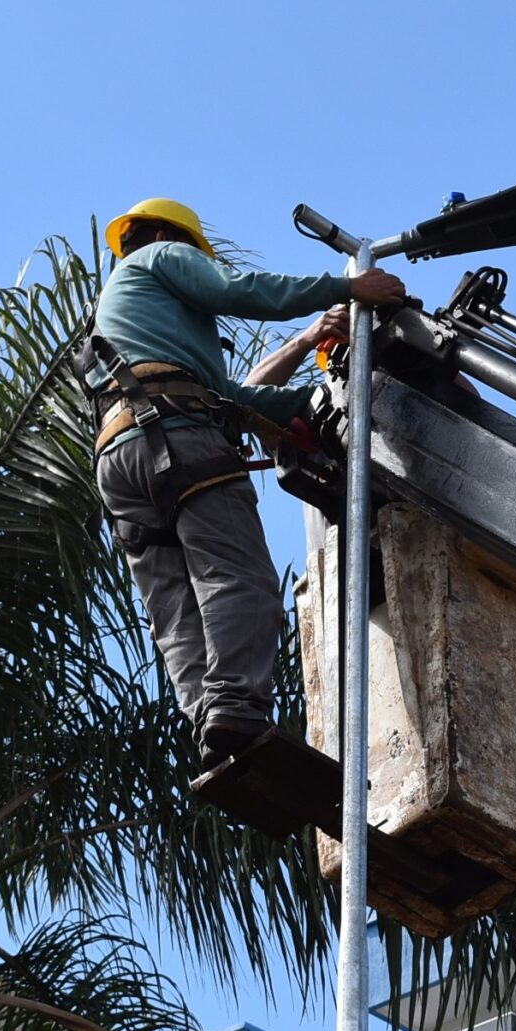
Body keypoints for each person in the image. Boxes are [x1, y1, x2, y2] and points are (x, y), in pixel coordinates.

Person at [85, 195, 406, 758]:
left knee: (175, 606)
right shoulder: (162, 258)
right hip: (178, 440)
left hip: (120, 458)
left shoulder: (126, 318)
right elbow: (241, 292)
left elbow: (230, 396)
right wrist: (345, 289)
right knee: (239, 577)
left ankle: (211, 725)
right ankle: (234, 706)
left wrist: (307, 399)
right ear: (168, 237)